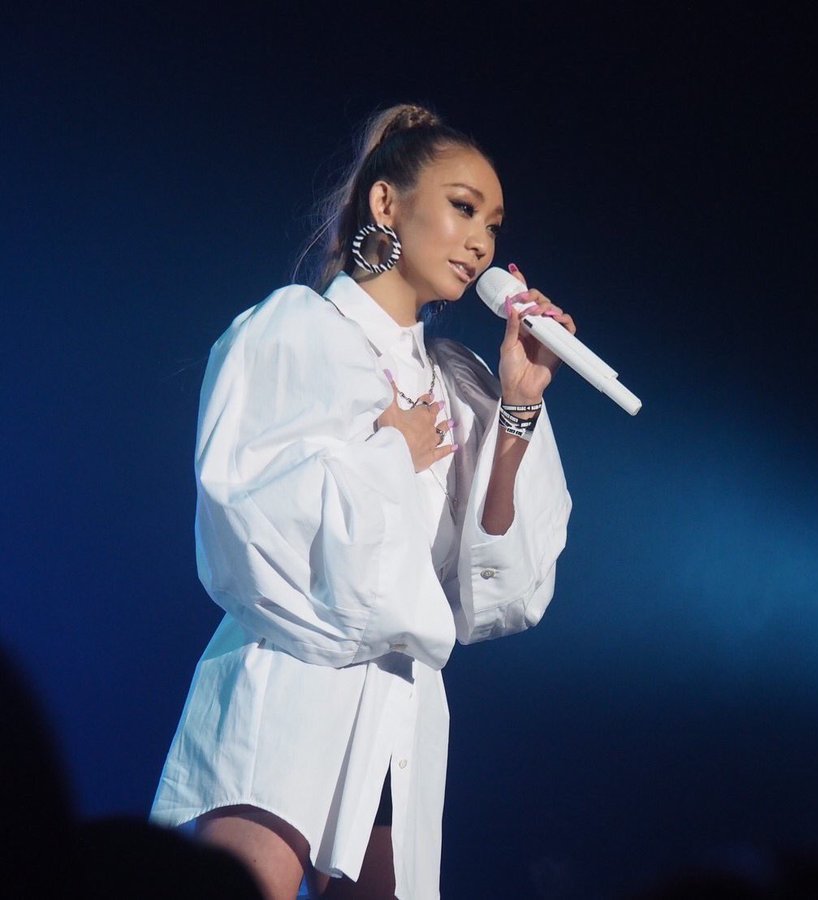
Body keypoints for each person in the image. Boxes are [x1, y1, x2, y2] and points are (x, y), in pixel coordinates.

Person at [150, 103, 574, 900]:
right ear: (386, 203)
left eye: (493, 224)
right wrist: (391, 452)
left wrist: (517, 405)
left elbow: (492, 586)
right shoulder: (297, 330)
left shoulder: (457, 382)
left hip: (399, 699)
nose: (482, 242)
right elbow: (249, 513)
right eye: (462, 207)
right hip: (295, 667)